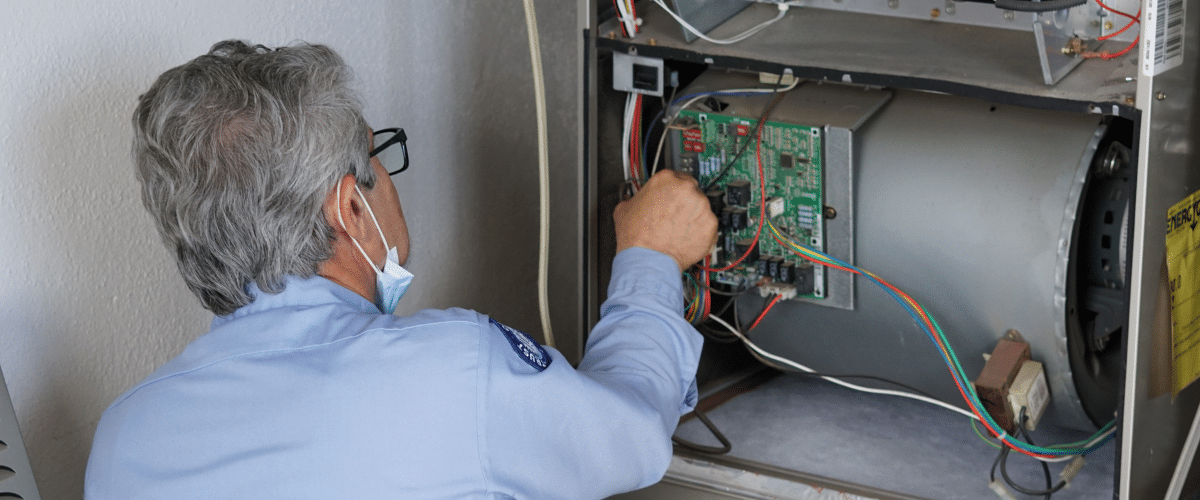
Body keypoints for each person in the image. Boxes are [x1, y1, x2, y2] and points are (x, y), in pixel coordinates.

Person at [85, 40, 717, 499]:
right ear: (349, 206)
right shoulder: (451, 370)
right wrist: (651, 257)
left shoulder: (124, 439)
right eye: (376, 155)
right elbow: (632, 431)